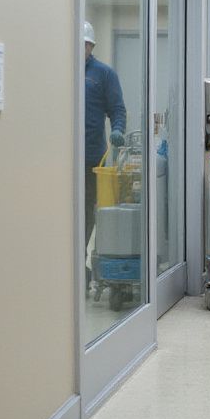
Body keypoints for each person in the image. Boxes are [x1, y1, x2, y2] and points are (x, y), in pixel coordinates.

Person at [84, 21, 126, 277]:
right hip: (61, 159)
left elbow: (117, 109)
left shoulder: (103, 74)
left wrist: (118, 129)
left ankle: (83, 263)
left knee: (88, 211)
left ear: (91, 46)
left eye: (85, 45)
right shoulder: (62, 70)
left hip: (92, 157)